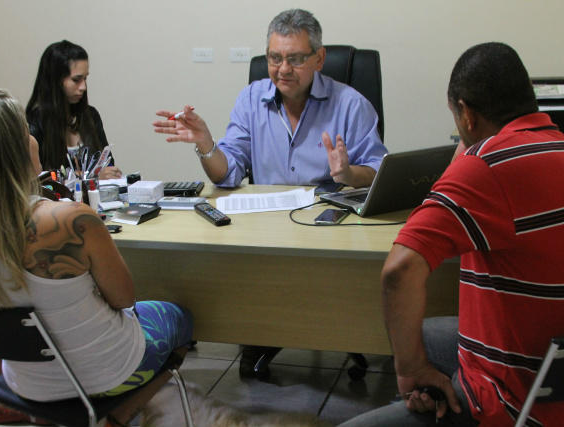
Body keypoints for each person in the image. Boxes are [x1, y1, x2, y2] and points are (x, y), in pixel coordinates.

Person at [0, 88, 193, 427]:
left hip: (26, 385)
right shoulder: (71, 220)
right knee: (180, 318)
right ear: (16, 151)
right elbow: (124, 298)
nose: (34, 140)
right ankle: (118, 418)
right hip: (106, 374)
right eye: (26, 133)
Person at [153, 8, 388, 379]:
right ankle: (259, 331)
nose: (282, 69)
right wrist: (205, 144)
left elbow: (379, 173)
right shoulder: (252, 99)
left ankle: (333, 327)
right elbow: (227, 173)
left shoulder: (351, 104)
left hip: (328, 228)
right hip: (266, 228)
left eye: (295, 59)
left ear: (319, 58)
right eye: (275, 58)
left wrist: (348, 172)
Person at [338, 42, 564, 427]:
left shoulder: (488, 168)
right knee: (418, 329)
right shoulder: (553, 147)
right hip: (550, 364)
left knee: (398, 352)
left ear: (466, 115)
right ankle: (438, 387)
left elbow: (399, 271)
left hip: (516, 403)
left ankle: (431, 391)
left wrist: (411, 369)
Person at [27, 40, 122, 180]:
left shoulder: (91, 115)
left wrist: (111, 174)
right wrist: (91, 178)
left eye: (85, 79)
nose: (83, 86)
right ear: (55, 80)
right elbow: (37, 180)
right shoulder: (34, 124)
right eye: (76, 79)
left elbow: (108, 165)